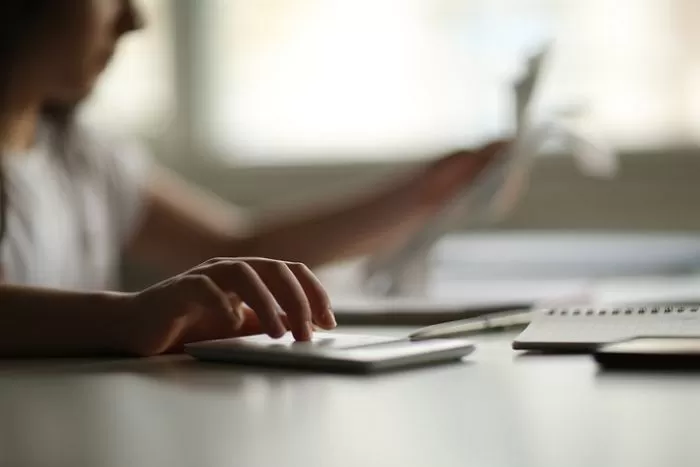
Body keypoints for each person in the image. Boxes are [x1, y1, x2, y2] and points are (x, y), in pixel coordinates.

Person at [0, 0, 507, 357]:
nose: (134, 19)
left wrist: (428, 191)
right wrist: (125, 319)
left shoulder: (79, 153)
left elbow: (243, 244)